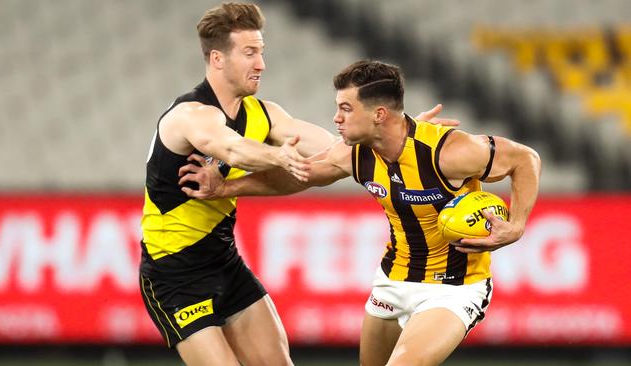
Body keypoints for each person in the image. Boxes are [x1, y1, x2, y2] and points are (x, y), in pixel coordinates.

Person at [139, 3, 458, 365]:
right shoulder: (190, 115)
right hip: (173, 275)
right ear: (217, 59)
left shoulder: (265, 114)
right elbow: (230, 147)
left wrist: (400, 133)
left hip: (225, 263)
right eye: (250, 53)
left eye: (261, 51)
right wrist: (280, 157)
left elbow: (334, 148)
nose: (261, 64)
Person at [179, 60, 542, 366]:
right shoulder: (353, 152)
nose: (336, 118)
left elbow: (525, 159)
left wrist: (517, 226)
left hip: (453, 289)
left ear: (379, 114)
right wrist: (225, 188)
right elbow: (299, 175)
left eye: (346, 108)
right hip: (393, 280)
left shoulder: (447, 151)